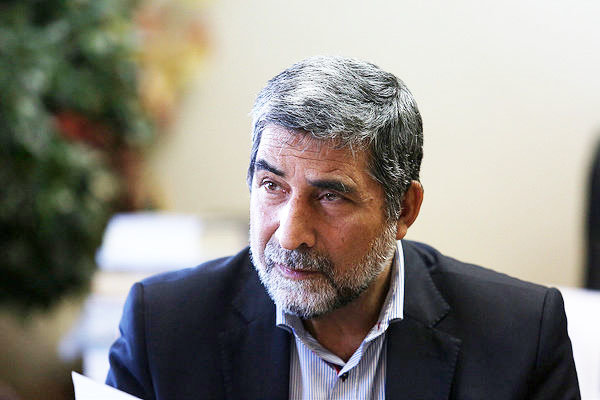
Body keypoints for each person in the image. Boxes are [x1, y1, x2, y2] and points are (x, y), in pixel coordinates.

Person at [106, 56, 580, 399]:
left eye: (330, 196)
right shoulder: (163, 327)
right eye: (272, 186)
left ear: (404, 210)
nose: (290, 235)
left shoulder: (521, 336)